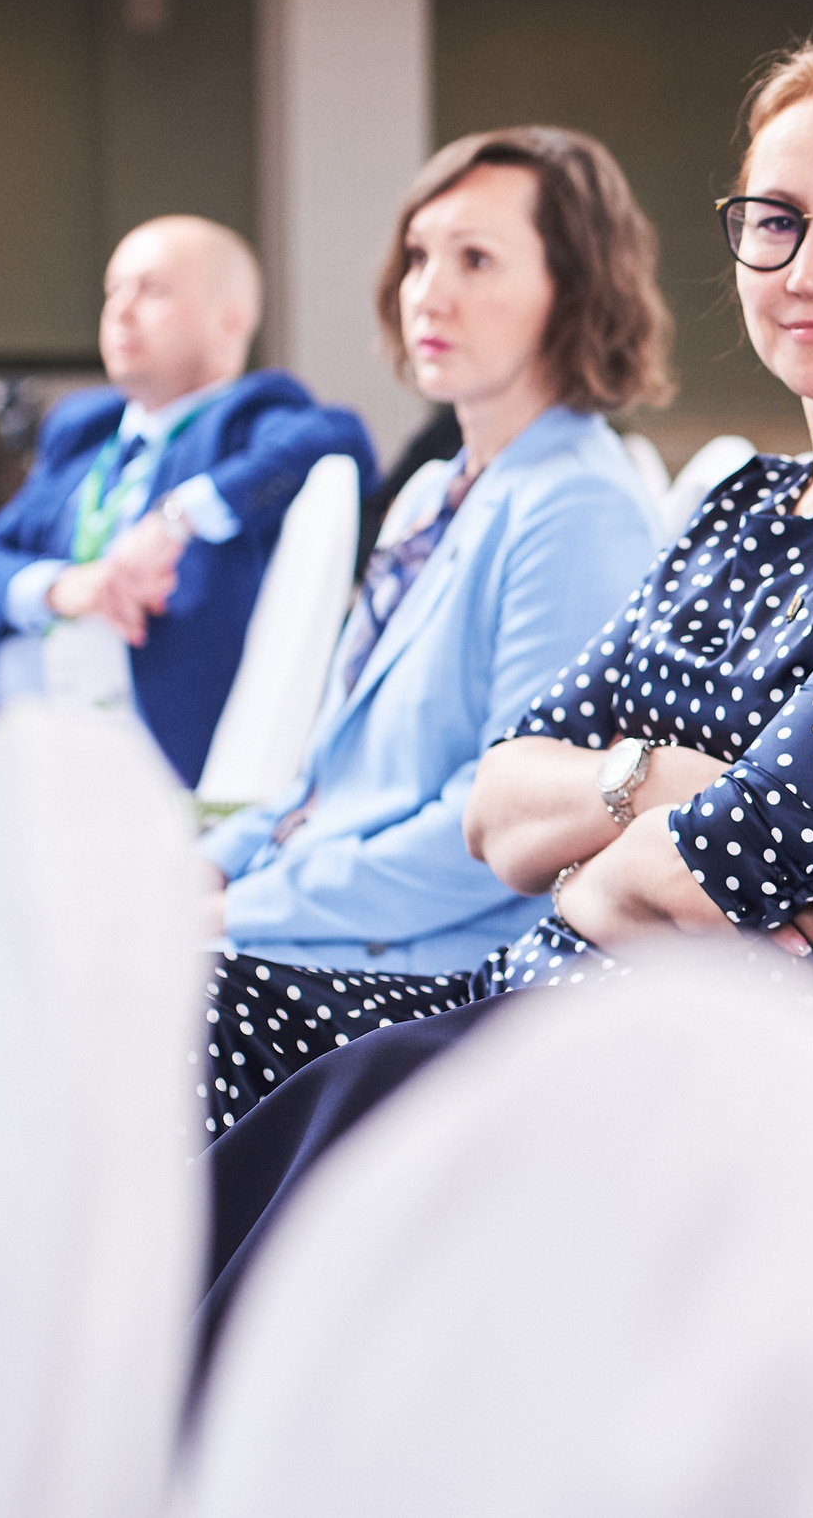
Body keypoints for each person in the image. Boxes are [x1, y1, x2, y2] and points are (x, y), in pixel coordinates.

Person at [193, 40, 813, 1140]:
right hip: (517, 1005)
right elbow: (494, 804)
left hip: (667, 1072)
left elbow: (746, 850)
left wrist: (588, 872)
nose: (808, 269)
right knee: (156, 1018)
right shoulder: (740, 503)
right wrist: (660, 778)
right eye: (774, 222)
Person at [192, 128, 676, 1137]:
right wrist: (214, 864)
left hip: (440, 963)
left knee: (133, 1014)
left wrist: (242, 913)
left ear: (573, 290)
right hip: (317, 916)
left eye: (476, 260)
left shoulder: (575, 505)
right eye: (418, 256)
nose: (428, 292)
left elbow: (490, 836)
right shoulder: (429, 495)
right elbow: (324, 776)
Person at [0, 216, 377, 787]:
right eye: (112, 290)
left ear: (231, 320)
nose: (119, 310)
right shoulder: (84, 430)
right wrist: (61, 587)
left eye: (152, 290)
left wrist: (177, 519)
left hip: (135, 753)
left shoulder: (245, 417)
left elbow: (341, 438)